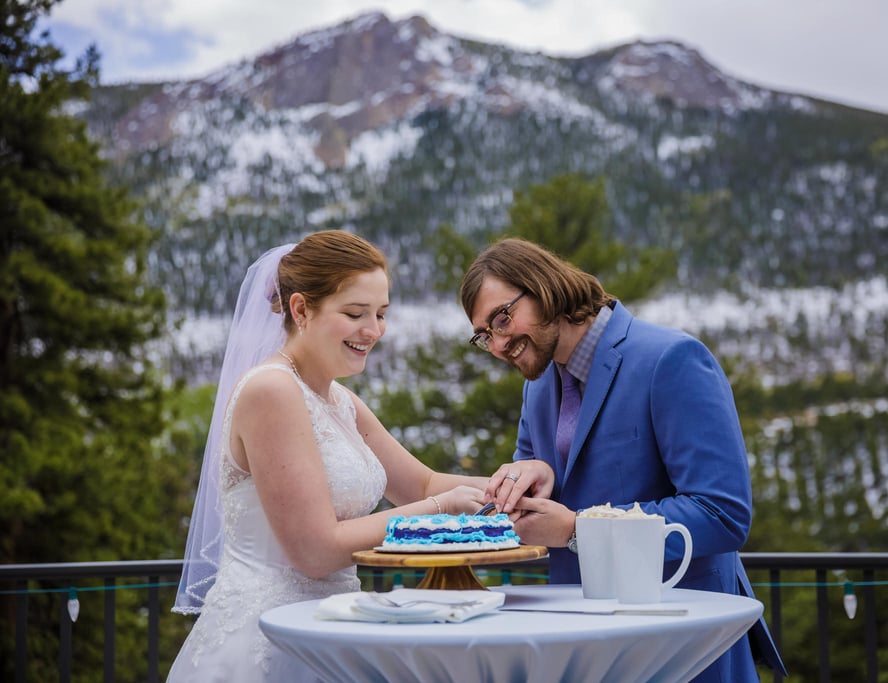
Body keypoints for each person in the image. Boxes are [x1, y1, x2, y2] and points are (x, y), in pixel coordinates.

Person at [169, 230, 490, 682]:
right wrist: (442, 510)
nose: (373, 330)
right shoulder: (271, 391)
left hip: (332, 633)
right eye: (355, 313)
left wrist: (511, 483)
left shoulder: (339, 401)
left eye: (381, 314)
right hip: (272, 644)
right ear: (301, 309)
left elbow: (420, 485)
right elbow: (316, 552)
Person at [460, 238, 787, 682]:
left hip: (681, 642)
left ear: (543, 286)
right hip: (584, 647)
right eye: (485, 335)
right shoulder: (537, 386)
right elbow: (541, 500)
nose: (498, 344)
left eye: (503, 318)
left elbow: (722, 513)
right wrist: (536, 474)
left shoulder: (671, 359)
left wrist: (580, 530)